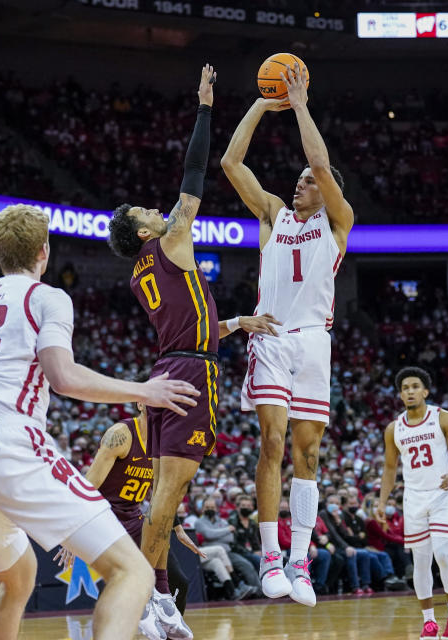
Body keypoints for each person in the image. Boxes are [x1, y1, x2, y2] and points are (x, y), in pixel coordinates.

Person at [0, 203, 200, 640]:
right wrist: (144, 390)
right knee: (134, 573)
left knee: (18, 577)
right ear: (44, 251)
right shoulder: (46, 296)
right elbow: (63, 378)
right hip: (11, 440)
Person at [107, 64, 279, 635]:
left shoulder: (144, 272)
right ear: (144, 233)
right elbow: (196, 169)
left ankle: (154, 598)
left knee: (167, 495)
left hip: (173, 367)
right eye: (145, 214)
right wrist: (205, 107)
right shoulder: (172, 237)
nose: (157, 210)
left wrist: (237, 321)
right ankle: (152, 598)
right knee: (168, 495)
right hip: (189, 377)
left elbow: (192, 327)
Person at [220, 60, 354, 606]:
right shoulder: (273, 215)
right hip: (273, 336)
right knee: (271, 441)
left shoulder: (337, 221)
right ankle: (271, 555)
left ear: (325, 191)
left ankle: (301, 559)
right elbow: (231, 162)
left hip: (314, 342)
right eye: (298, 179)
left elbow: (319, 161)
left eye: (307, 180)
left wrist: (300, 105)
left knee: (309, 454)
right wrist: (262, 102)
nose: (299, 182)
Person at [53, 395, 203, 638]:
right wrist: (74, 530)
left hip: (133, 518)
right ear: (141, 403)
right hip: (103, 518)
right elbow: (89, 484)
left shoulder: (165, 442)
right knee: (126, 583)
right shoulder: (120, 435)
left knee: (179, 582)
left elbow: (161, 492)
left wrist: (175, 527)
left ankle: (166, 625)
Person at [376, 367, 448, 640]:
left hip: (442, 494)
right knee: (421, 562)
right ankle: (428, 622)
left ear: (425, 391)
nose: (410, 391)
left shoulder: (443, 418)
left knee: (443, 553)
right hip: (413, 498)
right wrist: (382, 502)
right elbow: (390, 469)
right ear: (401, 395)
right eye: (405, 388)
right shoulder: (394, 428)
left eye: (415, 386)